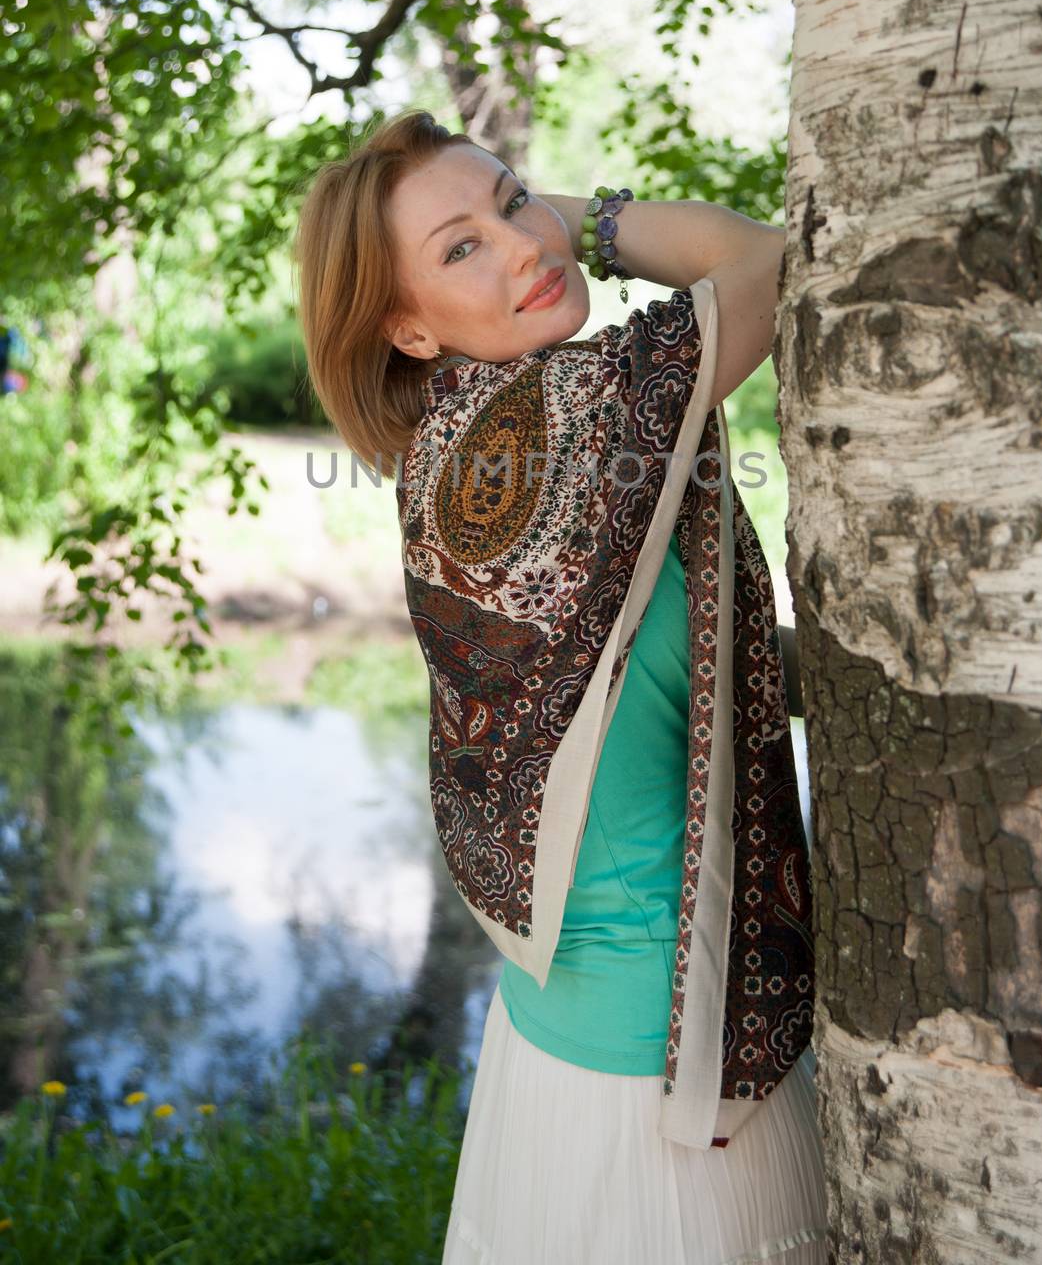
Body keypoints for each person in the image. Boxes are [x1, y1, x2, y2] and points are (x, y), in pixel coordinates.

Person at [293, 109, 829, 1264]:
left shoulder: (457, 442)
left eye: (512, 199)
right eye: (459, 250)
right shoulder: (566, 423)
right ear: (410, 331)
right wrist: (582, 220)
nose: (520, 247)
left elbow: (668, 674)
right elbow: (767, 263)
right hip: (668, 1076)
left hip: (563, 1043)